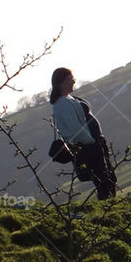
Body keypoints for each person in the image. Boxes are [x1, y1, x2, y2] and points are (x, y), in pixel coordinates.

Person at [50, 67, 117, 200]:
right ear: (61, 82)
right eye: (70, 79)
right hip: (88, 147)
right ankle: (108, 210)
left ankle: (109, 207)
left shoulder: (68, 99)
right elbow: (75, 129)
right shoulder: (62, 103)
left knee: (108, 179)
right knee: (104, 181)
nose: (74, 81)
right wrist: (93, 143)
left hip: (92, 145)